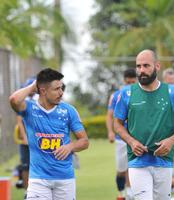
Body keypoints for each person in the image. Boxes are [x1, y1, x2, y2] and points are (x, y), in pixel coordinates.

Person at [114, 49, 174, 200]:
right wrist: (131, 141)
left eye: (146, 66)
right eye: (138, 66)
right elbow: (117, 124)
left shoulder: (172, 92)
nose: (141, 70)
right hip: (138, 161)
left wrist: (171, 141)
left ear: (157, 66)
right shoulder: (126, 93)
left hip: (164, 161)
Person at [9, 68, 89, 200]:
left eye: (61, 88)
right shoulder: (30, 109)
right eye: (56, 89)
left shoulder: (69, 111)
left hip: (65, 179)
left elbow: (84, 141)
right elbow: (14, 100)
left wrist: (69, 147)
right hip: (38, 180)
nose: (61, 92)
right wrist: (32, 86)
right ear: (43, 91)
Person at [106, 68, 137, 200]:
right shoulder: (117, 95)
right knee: (121, 169)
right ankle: (121, 190)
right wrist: (110, 132)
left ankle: (129, 193)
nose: (130, 84)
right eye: (128, 82)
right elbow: (109, 116)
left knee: (132, 166)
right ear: (124, 81)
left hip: (136, 138)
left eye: (132, 82)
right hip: (120, 138)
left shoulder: (140, 94)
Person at [15, 77, 38, 190]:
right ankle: (26, 191)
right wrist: (25, 138)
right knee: (25, 166)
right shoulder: (23, 102)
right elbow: (19, 121)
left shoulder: (38, 101)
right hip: (25, 140)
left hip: (37, 139)